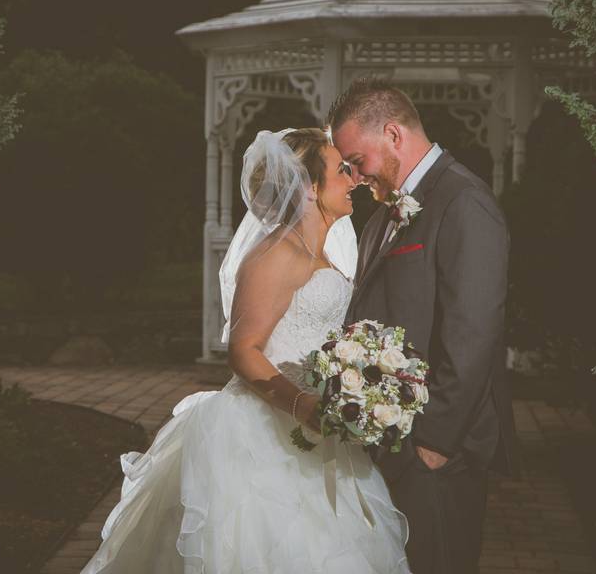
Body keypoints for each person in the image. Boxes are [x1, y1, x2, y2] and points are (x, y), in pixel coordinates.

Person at [81, 128, 410, 573]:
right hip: (266, 431)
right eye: (341, 170)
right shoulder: (277, 254)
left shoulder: (320, 255)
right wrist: (303, 405)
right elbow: (244, 350)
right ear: (310, 188)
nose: (353, 179)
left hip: (319, 428)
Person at [329, 78, 516, 574]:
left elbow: (473, 333)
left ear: (393, 134)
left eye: (356, 161)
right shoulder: (380, 218)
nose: (352, 175)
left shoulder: (464, 202)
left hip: (437, 448)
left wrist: (434, 443)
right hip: (392, 442)